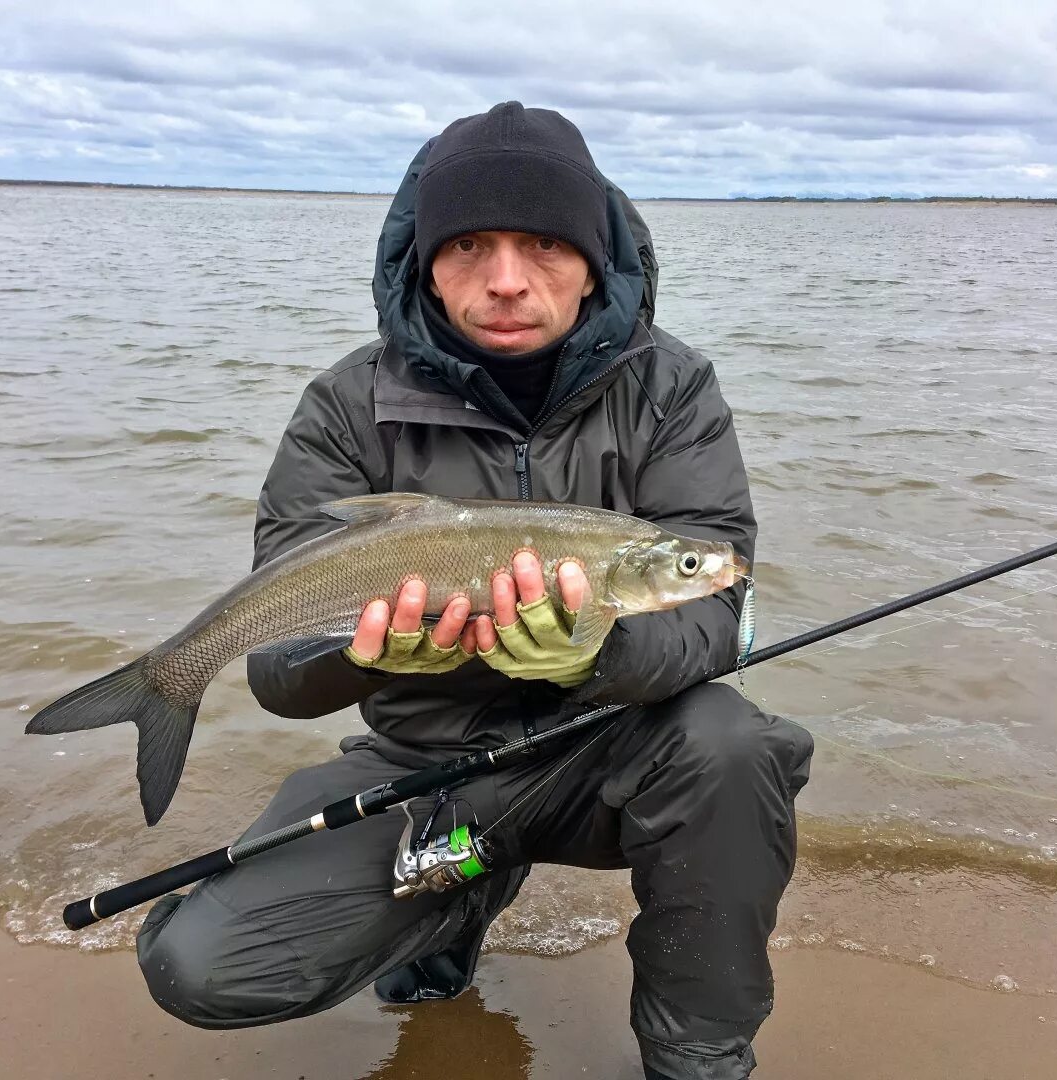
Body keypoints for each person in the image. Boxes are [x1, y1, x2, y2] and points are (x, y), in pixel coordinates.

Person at [135, 101, 814, 1080]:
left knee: (734, 745)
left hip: (607, 755)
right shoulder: (344, 408)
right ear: (425, 259)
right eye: (469, 246)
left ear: (594, 256)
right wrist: (352, 650)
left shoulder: (673, 391)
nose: (506, 279)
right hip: (422, 768)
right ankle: (444, 920)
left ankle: (700, 1064)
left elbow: (713, 612)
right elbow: (279, 678)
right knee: (197, 964)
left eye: (542, 243)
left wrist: (602, 653)